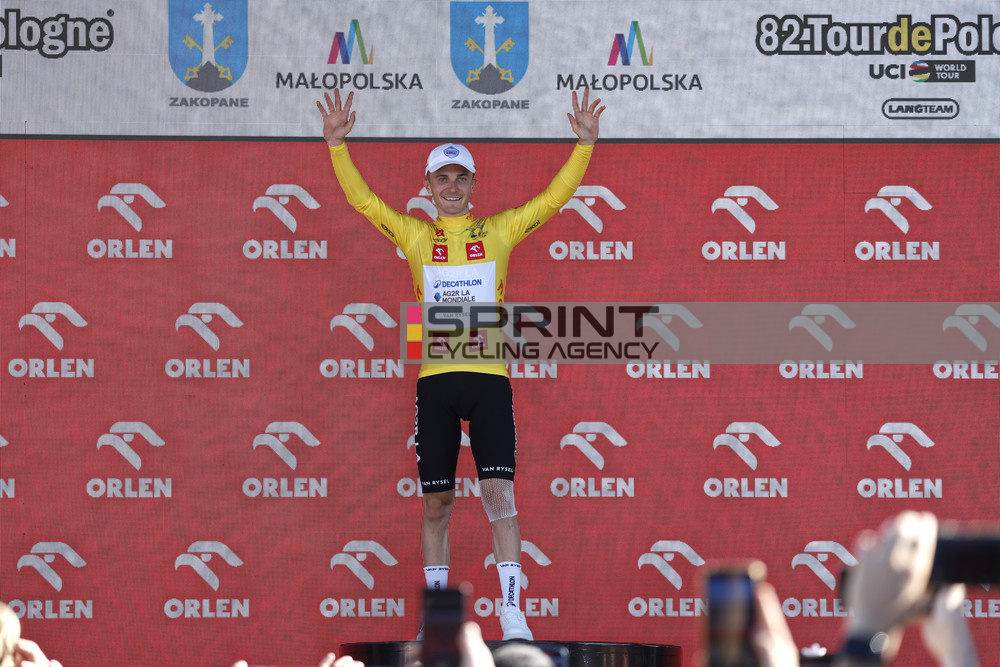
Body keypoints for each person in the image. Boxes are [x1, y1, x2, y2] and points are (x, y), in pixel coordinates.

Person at [317, 88, 605, 640]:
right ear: (427, 187)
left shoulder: (497, 231)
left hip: (490, 381)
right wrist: (336, 147)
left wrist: (584, 147)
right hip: (436, 384)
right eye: (441, 179)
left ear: (474, 185)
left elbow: (552, 200)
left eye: (460, 178)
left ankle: (513, 614)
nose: (451, 187)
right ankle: (440, 622)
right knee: (436, 503)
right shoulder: (415, 235)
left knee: (499, 495)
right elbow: (365, 203)